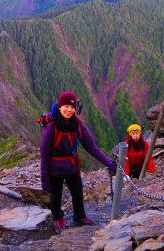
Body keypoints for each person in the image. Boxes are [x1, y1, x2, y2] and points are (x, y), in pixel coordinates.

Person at [40, 91, 117, 232]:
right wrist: (45, 179)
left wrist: (107, 161)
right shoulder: (51, 127)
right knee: (56, 195)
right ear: (59, 106)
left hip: (72, 166)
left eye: (72, 107)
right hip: (54, 169)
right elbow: (44, 155)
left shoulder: (77, 124)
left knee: (77, 192)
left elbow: (90, 146)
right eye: (66, 107)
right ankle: (58, 218)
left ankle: (79, 217)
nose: (69, 110)